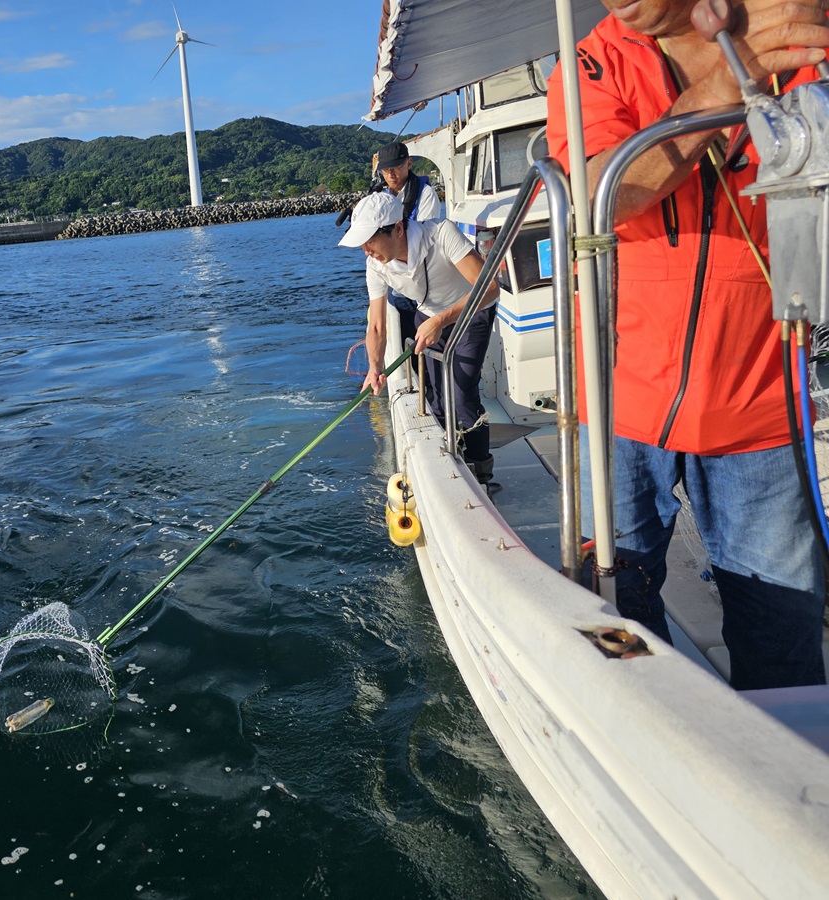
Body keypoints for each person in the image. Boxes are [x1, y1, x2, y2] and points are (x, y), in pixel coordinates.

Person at [545, 0, 829, 689]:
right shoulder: (590, 64)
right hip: (621, 399)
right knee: (615, 606)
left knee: (781, 630)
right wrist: (726, 89)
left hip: (761, 402)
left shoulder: (796, 30)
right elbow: (600, 196)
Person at [339, 191, 500, 488]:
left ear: (397, 229)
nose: (365, 250)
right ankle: (452, 460)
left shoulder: (442, 235)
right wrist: (375, 367)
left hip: (471, 310)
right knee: (436, 397)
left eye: (370, 240)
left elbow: (489, 288)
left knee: (462, 392)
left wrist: (442, 320)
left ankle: (482, 472)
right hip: (429, 317)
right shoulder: (376, 264)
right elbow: (376, 326)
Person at [374, 141, 445, 344]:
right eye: (386, 170)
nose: (391, 175)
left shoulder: (425, 195)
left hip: (423, 281)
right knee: (405, 335)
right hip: (397, 282)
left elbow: (425, 238)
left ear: (409, 163)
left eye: (396, 168)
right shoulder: (382, 197)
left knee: (427, 339)